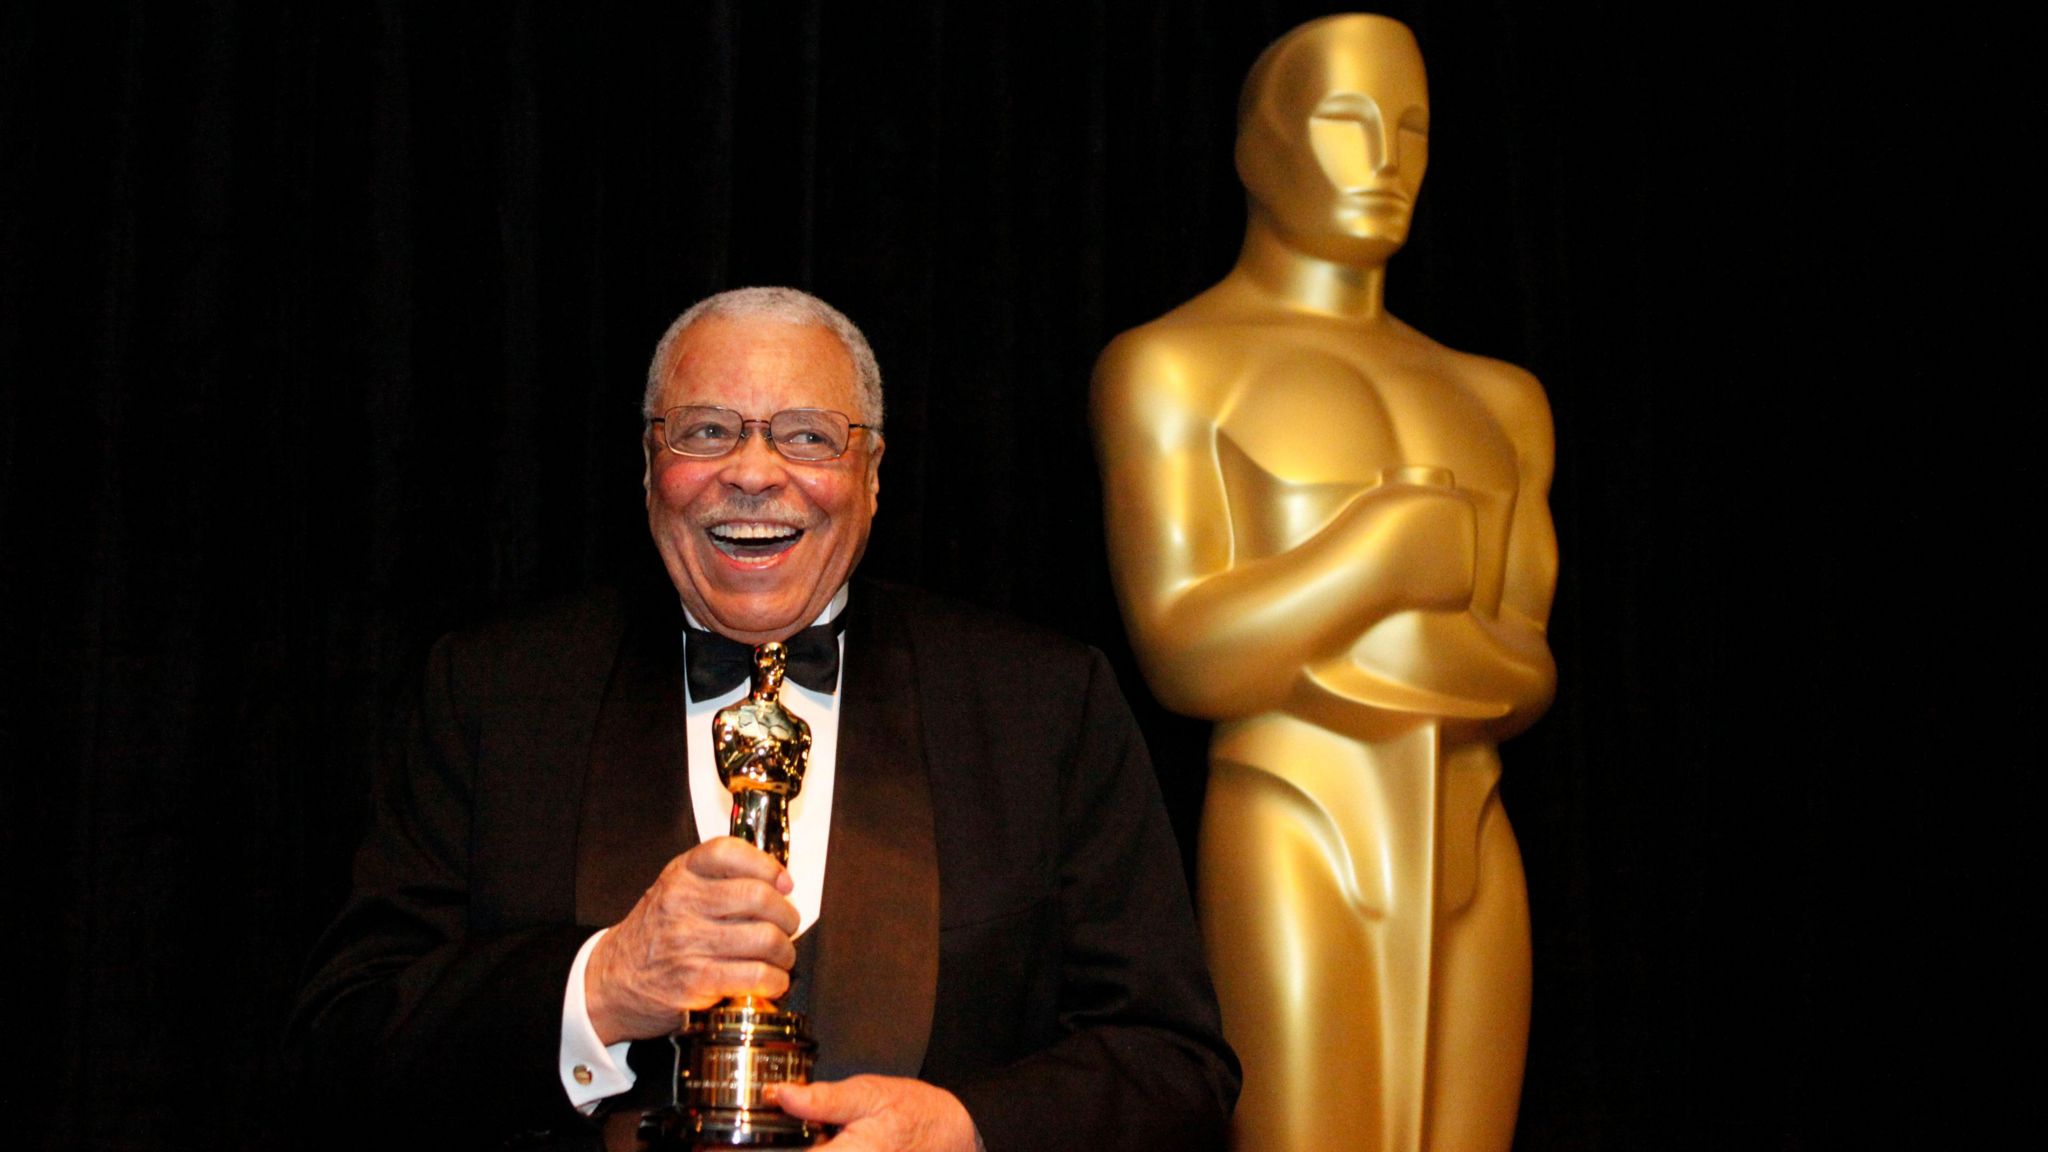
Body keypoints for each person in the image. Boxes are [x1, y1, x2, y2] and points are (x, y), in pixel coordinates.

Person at [290, 287, 1239, 1151]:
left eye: (807, 436)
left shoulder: (1042, 702)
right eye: (706, 431)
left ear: (872, 473)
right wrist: (601, 987)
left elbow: (1174, 1063)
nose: (752, 473)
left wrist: (966, 1130)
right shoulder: (496, 693)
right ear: (650, 464)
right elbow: (344, 1047)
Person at [1090, 15, 1556, 1152]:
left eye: (1410, 130)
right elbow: (1185, 654)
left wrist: (1335, 624)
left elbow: (1530, 672)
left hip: (1471, 818)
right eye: (1345, 124)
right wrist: (1377, 561)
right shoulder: (1174, 366)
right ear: (1260, 147)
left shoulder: (1498, 398)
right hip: (1293, 812)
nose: (1385, 162)